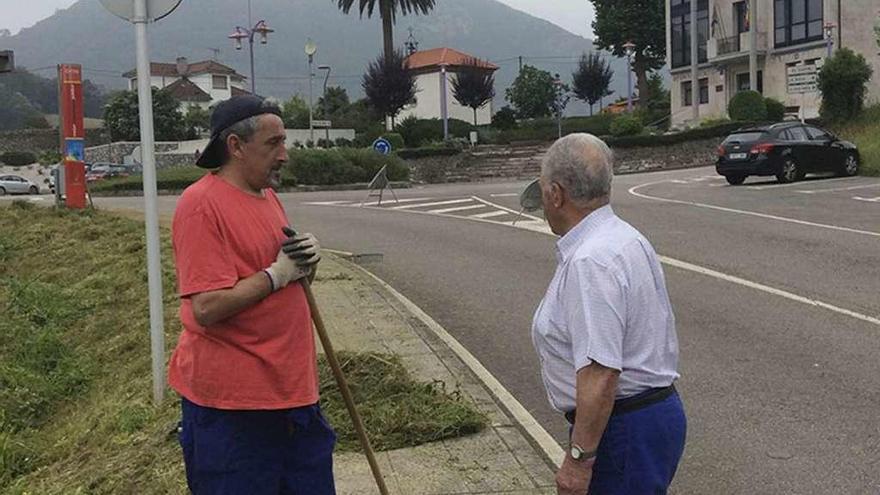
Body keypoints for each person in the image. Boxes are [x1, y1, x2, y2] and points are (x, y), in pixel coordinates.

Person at [168, 95, 335, 494]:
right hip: (234, 408)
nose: (285, 155)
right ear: (236, 147)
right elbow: (206, 307)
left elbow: (283, 277)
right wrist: (277, 275)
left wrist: (304, 265)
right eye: (273, 143)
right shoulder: (201, 205)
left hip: (292, 396)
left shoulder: (268, 197)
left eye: (285, 141)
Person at [530, 134, 686, 495]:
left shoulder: (591, 261)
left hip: (623, 429)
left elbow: (600, 372)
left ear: (556, 194)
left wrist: (578, 461)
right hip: (649, 419)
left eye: (542, 190)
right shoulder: (624, 238)